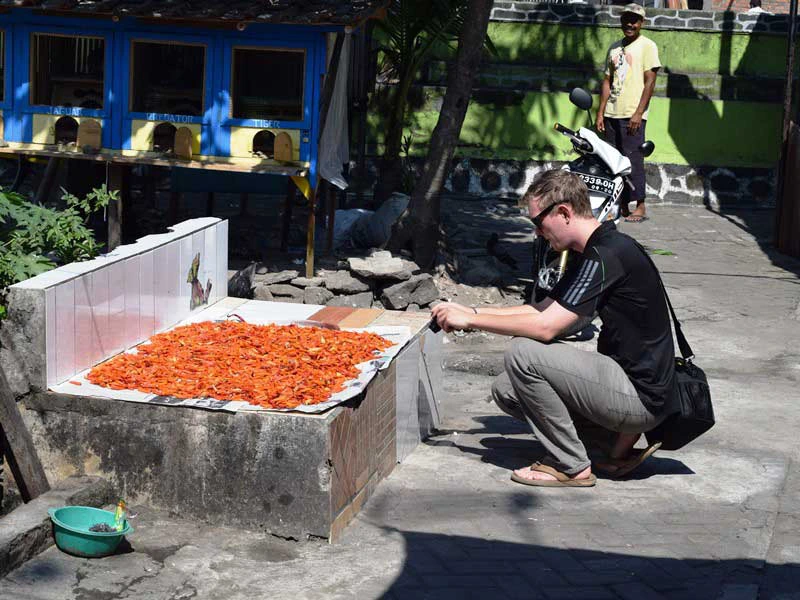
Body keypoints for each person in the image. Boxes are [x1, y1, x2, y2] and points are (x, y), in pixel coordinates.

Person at [431, 170, 678, 487]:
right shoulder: (593, 250)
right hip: (629, 385)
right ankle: (603, 444)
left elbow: (547, 327)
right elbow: (542, 309)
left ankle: (570, 464)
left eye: (538, 222)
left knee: (524, 354)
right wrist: (471, 310)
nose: (537, 233)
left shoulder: (607, 254)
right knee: (507, 389)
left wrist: (471, 320)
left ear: (563, 212)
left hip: (640, 399)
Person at [597, 3, 660, 224]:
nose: (630, 24)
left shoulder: (647, 46)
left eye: (635, 20)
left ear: (641, 23)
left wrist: (638, 113)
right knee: (614, 163)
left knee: (633, 160)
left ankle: (640, 205)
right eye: (627, 20)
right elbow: (607, 81)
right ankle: (620, 204)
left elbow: (650, 81)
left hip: (632, 114)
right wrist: (600, 112)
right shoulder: (614, 48)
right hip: (612, 114)